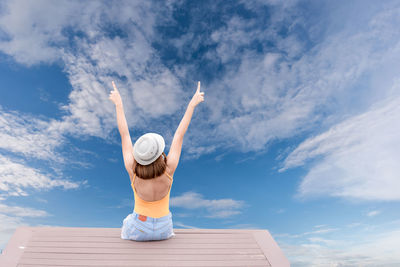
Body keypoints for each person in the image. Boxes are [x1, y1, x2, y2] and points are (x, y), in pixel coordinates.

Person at [108, 80, 205, 241]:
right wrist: (191, 105)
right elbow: (179, 135)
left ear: (139, 156)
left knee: (127, 221)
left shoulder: (132, 170)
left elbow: (124, 134)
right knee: (152, 223)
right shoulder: (169, 169)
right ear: (160, 153)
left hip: (140, 228)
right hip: (164, 229)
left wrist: (118, 104)